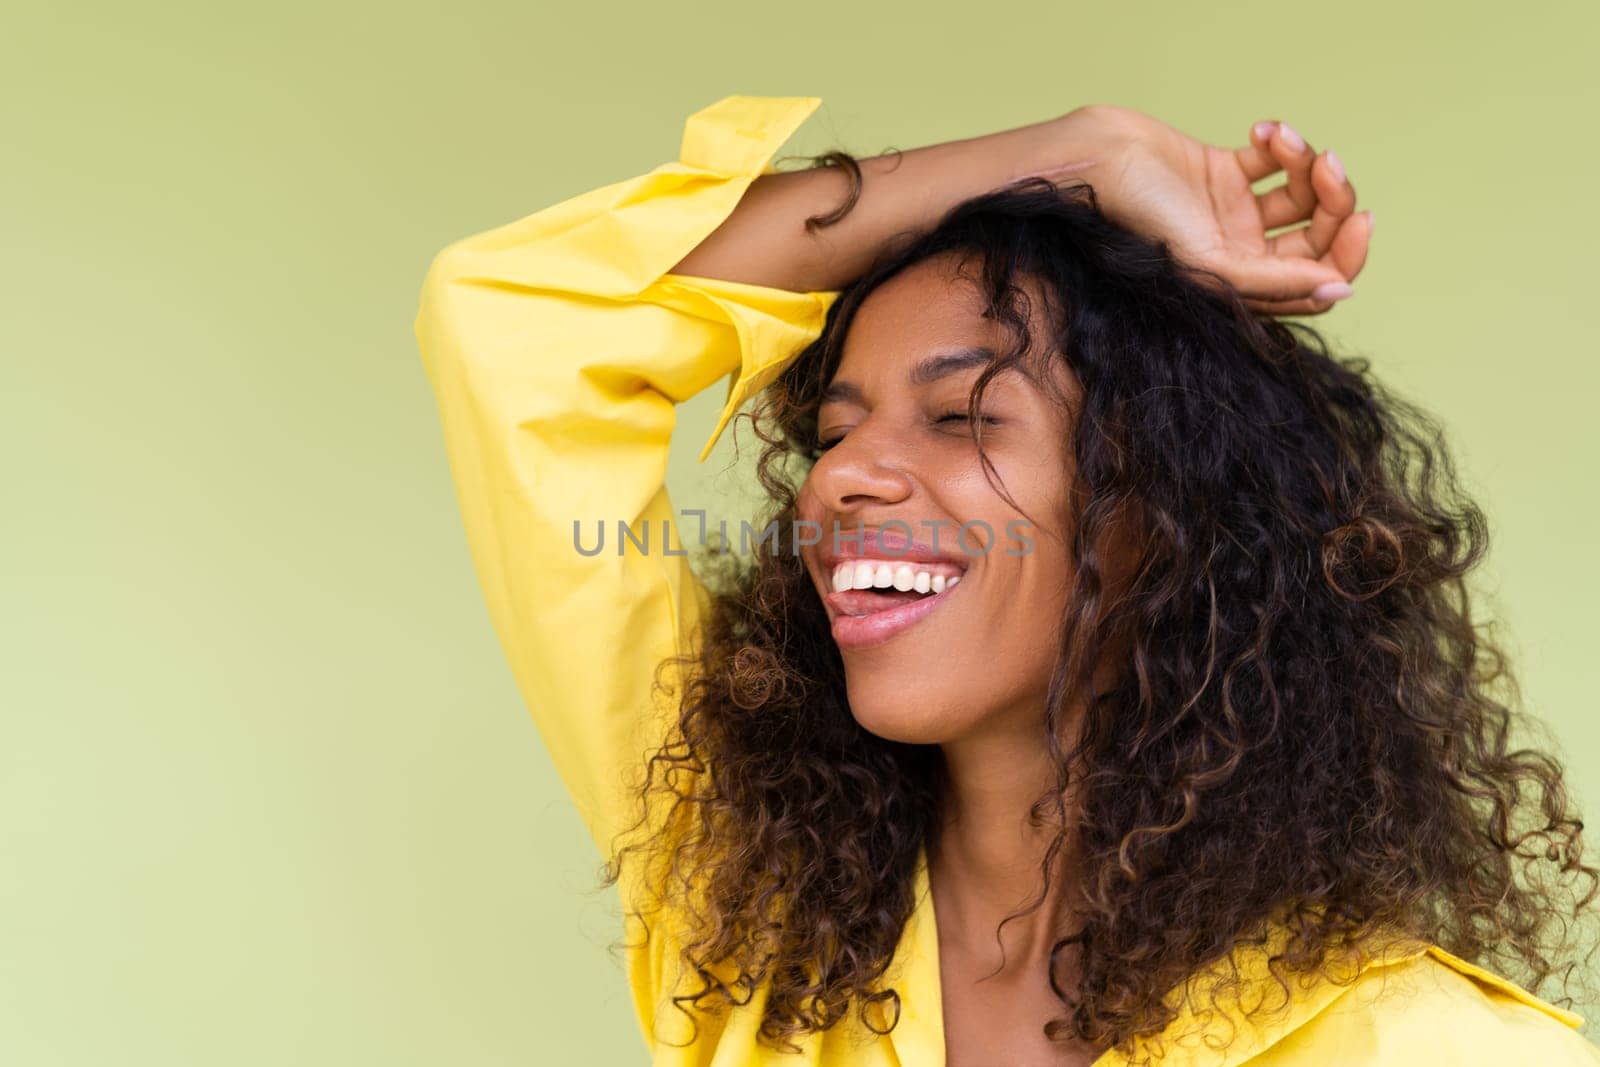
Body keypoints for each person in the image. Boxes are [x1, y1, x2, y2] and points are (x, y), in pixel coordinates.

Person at [413, 95, 1600, 1066]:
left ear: (1165, 517)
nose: (842, 482)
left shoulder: (1419, 1046)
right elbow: (517, 329)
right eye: (833, 431)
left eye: (961, 415)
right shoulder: (755, 913)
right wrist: (1075, 158)